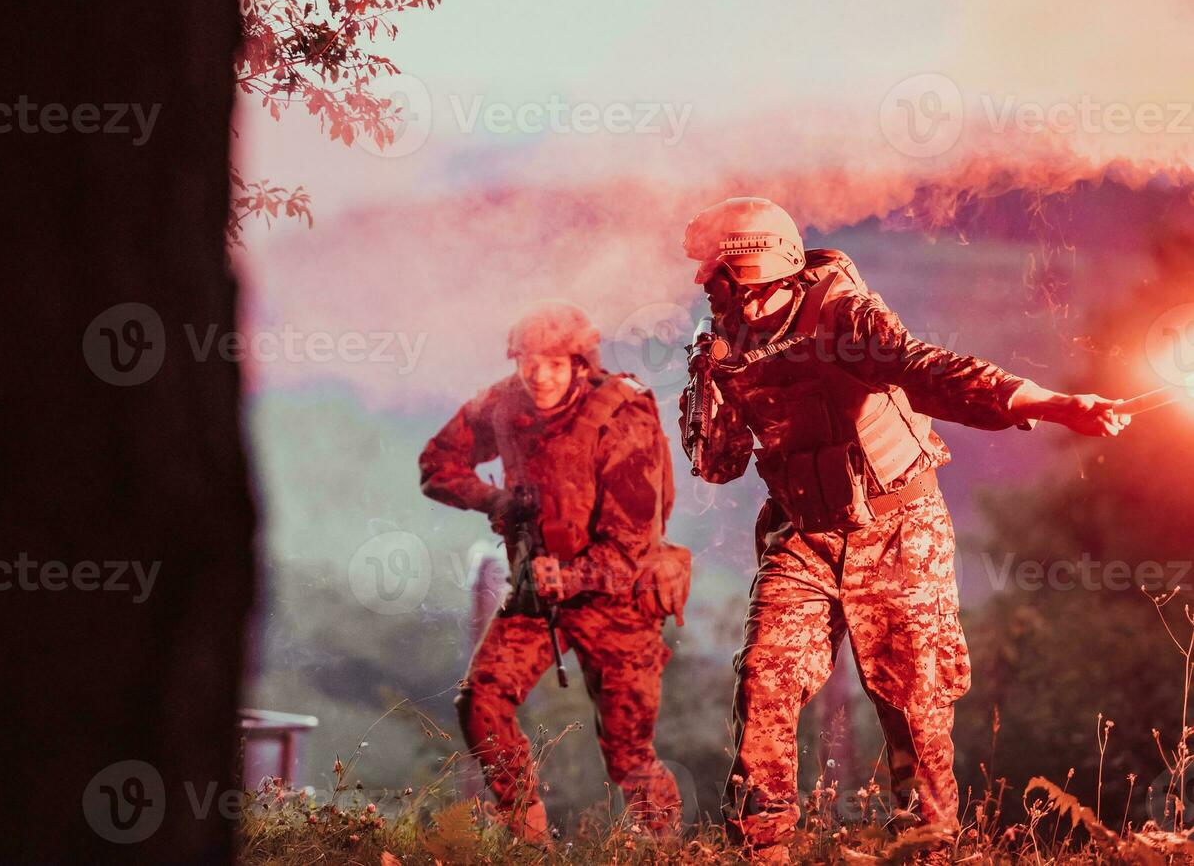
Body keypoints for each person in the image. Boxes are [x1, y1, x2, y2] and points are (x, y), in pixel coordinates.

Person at [680, 197, 1131, 853]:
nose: (743, 307)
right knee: (765, 679)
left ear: (784, 272)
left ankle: (927, 846)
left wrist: (1047, 403)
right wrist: (711, 387)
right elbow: (720, 467)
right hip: (801, 533)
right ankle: (762, 846)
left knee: (913, 712)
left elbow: (926, 370)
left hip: (897, 528)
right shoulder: (722, 338)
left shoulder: (843, 314)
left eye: (752, 289)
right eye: (726, 288)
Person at [419, 302, 688, 842]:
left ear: (580, 364)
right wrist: (494, 498)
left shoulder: (620, 415)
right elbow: (437, 465)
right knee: (482, 702)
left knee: (629, 755)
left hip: (619, 598)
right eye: (528, 361)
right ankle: (527, 839)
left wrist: (566, 578)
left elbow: (633, 544)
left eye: (554, 363)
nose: (539, 375)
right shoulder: (506, 403)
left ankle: (665, 852)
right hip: (537, 589)